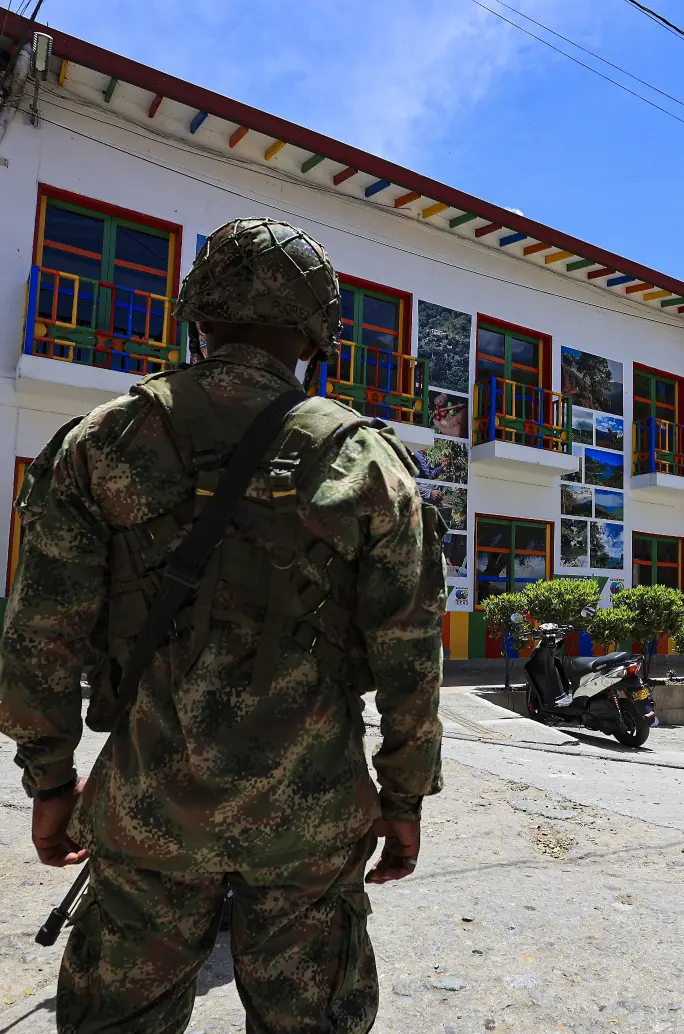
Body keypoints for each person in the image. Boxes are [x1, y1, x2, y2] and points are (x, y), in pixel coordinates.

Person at [0, 218, 446, 1033]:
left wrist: (50, 781)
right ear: (317, 333)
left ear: (196, 316)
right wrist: (404, 798)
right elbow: (412, 658)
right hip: (310, 822)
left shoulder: (104, 442)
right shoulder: (368, 464)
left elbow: (39, 636)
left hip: (147, 812)